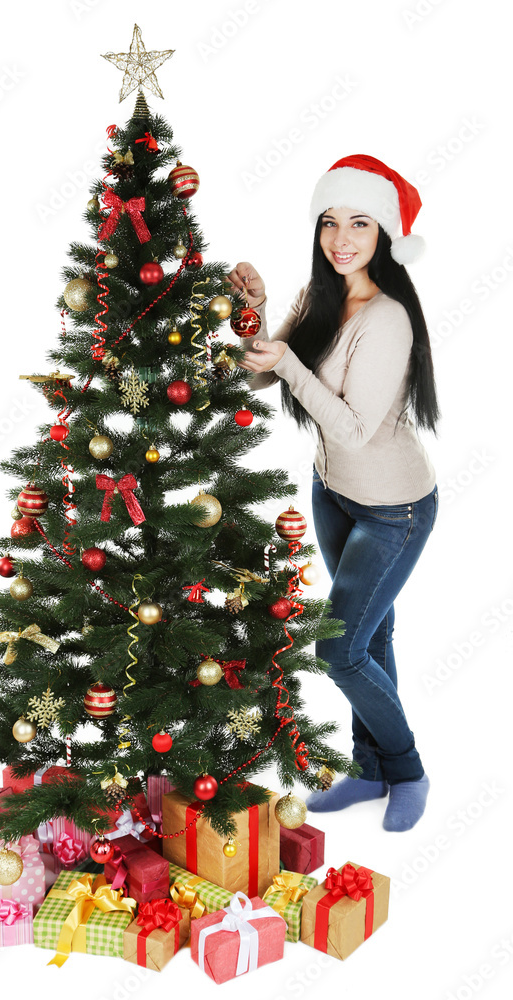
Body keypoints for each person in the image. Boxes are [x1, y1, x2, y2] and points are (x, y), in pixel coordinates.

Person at [227, 155, 439, 832]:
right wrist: (254, 315)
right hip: (333, 493)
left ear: (384, 231)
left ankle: (406, 770)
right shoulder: (321, 295)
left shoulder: (389, 319)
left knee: (339, 650)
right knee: (371, 639)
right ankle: (368, 769)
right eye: (328, 221)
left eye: (358, 222)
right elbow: (261, 377)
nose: (340, 237)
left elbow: (350, 429)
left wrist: (288, 363)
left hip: (394, 510)